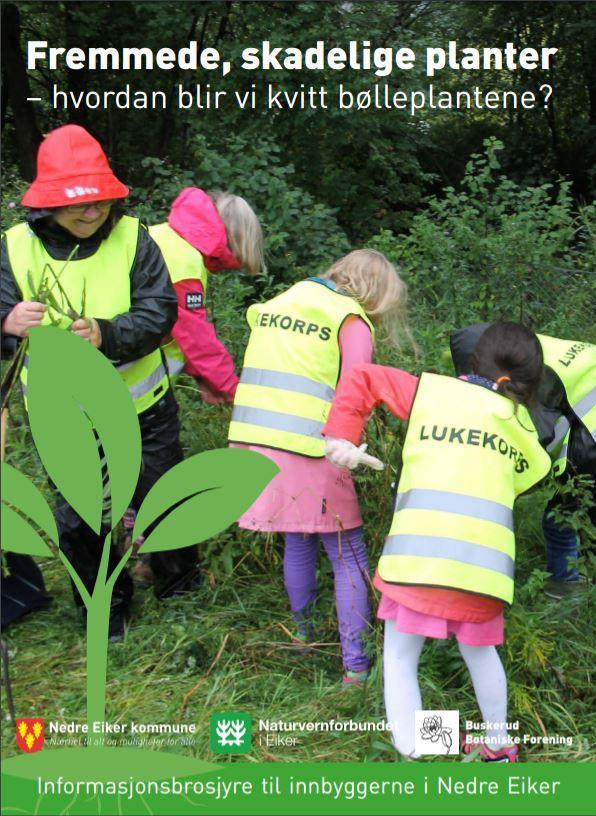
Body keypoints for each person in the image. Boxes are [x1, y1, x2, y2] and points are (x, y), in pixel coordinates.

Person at [0, 124, 199, 640]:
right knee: (81, 519)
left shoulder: (136, 237)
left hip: (144, 407)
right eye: (76, 205)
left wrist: (108, 334)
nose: (91, 213)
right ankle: (105, 611)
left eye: (99, 202)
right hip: (64, 415)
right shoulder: (15, 247)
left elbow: (160, 312)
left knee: (164, 498)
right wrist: (6, 322)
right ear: (47, 204)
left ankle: (180, 590)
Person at [324, 322, 552, 760]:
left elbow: (362, 378)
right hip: (482, 572)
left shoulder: (431, 393)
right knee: (482, 655)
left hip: (416, 562)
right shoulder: (523, 429)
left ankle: (414, 754)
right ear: (529, 381)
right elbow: (525, 477)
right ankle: (498, 745)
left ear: (473, 357)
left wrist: (342, 438)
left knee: (400, 658)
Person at [227, 249, 412, 684]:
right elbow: (358, 389)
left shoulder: (278, 303)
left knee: (298, 540)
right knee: (348, 553)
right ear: (374, 291)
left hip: (256, 443)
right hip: (314, 448)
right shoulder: (348, 318)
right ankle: (356, 666)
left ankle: (304, 637)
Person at [451, 324, 595, 599]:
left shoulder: (534, 370)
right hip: (588, 417)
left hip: (592, 433)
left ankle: (564, 587)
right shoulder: (531, 348)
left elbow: (541, 435)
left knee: (561, 515)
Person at [149, 187, 263, 403]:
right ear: (235, 240)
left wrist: (204, 378)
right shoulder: (184, 261)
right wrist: (232, 391)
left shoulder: (166, 235)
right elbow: (195, 337)